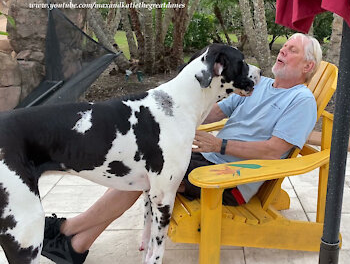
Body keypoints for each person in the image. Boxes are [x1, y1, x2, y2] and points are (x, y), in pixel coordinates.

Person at [41, 33, 323, 264]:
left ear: (308, 66)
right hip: (208, 160)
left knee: (147, 173)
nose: (283, 50)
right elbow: (212, 112)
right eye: (284, 46)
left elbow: (275, 151)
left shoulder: (301, 101)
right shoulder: (259, 86)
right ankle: (76, 245)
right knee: (141, 166)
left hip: (231, 177)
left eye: (292, 49)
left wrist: (220, 144)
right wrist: (173, 117)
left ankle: (68, 230)